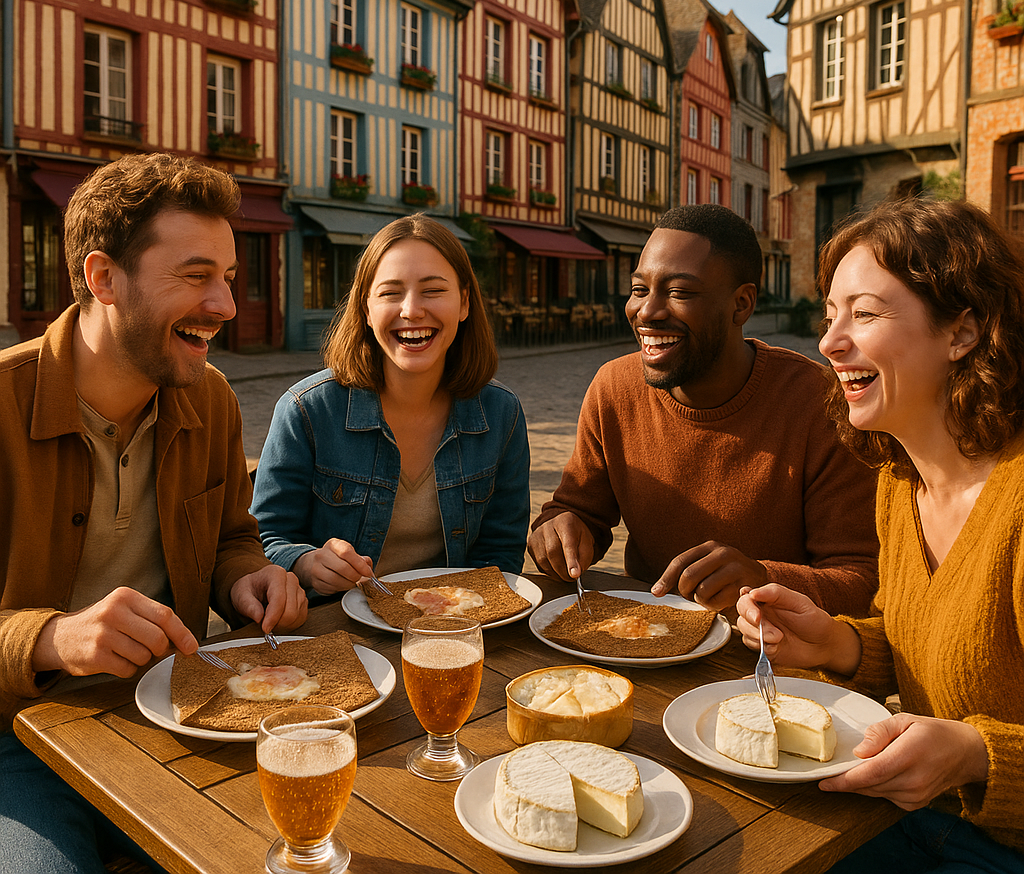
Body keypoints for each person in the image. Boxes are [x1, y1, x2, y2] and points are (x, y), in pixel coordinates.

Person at [0, 153, 307, 874]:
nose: (226, 306)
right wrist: (51, 639)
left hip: (174, 713)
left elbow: (233, 535)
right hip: (17, 737)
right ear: (103, 278)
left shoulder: (213, 399)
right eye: (196, 276)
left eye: (229, 279)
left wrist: (246, 579)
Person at [737, 198, 1024, 871]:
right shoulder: (900, 481)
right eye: (831, 315)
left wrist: (976, 756)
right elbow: (918, 647)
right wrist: (834, 640)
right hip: (914, 819)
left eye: (864, 314)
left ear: (963, 332)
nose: (831, 342)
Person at [529, 204, 878, 615]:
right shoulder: (613, 387)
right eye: (640, 289)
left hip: (771, 657)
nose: (647, 311)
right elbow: (578, 509)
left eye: (678, 292)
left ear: (742, 304)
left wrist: (762, 579)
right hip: (648, 636)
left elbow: (862, 580)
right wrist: (559, 529)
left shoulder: (823, 403)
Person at [254, 214, 530, 595]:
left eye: (433, 290)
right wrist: (305, 563)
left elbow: (501, 549)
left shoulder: (501, 413)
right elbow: (263, 540)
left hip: (453, 627)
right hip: (335, 627)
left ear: (464, 303)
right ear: (366, 309)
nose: (412, 310)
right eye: (390, 292)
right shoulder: (307, 410)